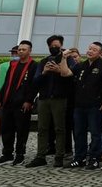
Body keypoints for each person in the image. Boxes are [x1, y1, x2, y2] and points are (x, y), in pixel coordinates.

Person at [26, 35, 75, 168]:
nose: (54, 47)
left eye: (57, 45)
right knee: (42, 128)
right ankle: (40, 156)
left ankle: (59, 156)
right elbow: (35, 82)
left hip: (60, 99)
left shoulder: (68, 59)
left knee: (60, 128)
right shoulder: (43, 62)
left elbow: (72, 77)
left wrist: (59, 70)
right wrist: (44, 72)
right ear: (48, 46)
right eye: (52, 45)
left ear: (61, 45)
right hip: (44, 99)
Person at [0, 41, 37, 166]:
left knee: (22, 130)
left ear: (29, 51)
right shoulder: (13, 65)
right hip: (8, 102)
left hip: (22, 104)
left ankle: (20, 155)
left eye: (24, 49)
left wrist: (29, 100)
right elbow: (6, 83)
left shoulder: (33, 66)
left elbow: (33, 86)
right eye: (19, 49)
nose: (21, 51)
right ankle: (7, 154)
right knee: (6, 129)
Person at [68, 41, 102, 169]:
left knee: (95, 132)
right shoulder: (81, 65)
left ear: (100, 53)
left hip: (95, 105)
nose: (90, 51)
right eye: (90, 48)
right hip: (79, 105)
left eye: (94, 50)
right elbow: (66, 73)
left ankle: (94, 158)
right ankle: (79, 158)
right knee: (79, 132)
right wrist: (64, 58)